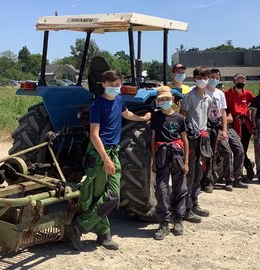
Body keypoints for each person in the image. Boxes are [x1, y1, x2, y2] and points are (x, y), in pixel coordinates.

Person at [69, 70, 151, 250]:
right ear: (104, 84)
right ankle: (102, 233)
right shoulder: (98, 104)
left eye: (118, 84)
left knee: (113, 195)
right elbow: (94, 134)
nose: (116, 88)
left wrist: (142, 118)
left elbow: (126, 114)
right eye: (112, 85)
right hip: (100, 153)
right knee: (100, 195)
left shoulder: (119, 100)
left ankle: (81, 225)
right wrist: (105, 159)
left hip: (113, 151)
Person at [151, 86, 189, 240]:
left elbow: (185, 140)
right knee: (161, 189)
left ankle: (178, 220)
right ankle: (164, 222)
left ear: (172, 100)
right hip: (161, 156)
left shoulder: (179, 118)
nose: (165, 101)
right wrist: (153, 160)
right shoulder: (155, 117)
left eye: (167, 99)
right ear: (157, 101)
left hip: (177, 156)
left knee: (180, 188)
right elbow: (152, 139)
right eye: (162, 99)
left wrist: (186, 162)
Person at [180, 66, 213, 223]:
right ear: (194, 79)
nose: (203, 79)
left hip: (203, 137)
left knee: (199, 172)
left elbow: (205, 118)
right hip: (191, 138)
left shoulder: (208, 98)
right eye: (199, 76)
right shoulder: (189, 96)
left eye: (205, 76)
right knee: (190, 172)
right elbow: (183, 117)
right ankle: (185, 208)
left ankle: (194, 202)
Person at [204, 68, 247, 192]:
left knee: (228, 152)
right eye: (212, 77)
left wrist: (224, 130)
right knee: (209, 154)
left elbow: (223, 113)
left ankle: (230, 179)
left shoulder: (220, 94)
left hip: (218, 126)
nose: (214, 80)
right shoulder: (202, 92)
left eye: (217, 78)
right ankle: (208, 181)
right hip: (206, 126)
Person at [225, 73, 255, 182]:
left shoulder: (247, 94)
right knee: (236, 149)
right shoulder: (228, 93)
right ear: (234, 81)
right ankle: (244, 168)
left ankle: (243, 171)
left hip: (245, 124)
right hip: (233, 123)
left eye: (242, 80)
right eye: (238, 80)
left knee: (243, 149)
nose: (240, 82)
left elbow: (254, 102)